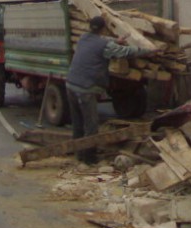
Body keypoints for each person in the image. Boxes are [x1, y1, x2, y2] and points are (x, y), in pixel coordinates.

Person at [66, 15, 154, 165]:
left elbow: (104, 42)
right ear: (103, 28)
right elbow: (123, 52)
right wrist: (145, 50)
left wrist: (116, 40)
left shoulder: (83, 38)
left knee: (78, 123)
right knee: (91, 125)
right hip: (85, 89)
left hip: (70, 85)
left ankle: (79, 154)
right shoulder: (103, 44)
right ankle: (89, 158)